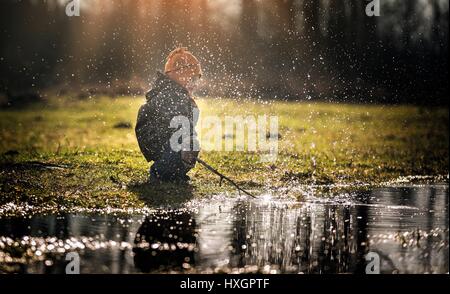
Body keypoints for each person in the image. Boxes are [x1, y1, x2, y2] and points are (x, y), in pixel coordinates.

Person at [135, 48, 202, 182]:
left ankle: (174, 174)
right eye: (192, 79)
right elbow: (179, 125)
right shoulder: (172, 94)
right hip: (156, 138)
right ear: (180, 76)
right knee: (186, 144)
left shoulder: (177, 94)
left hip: (163, 138)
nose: (195, 84)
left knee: (189, 144)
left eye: (197, 79)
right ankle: (160, 173)